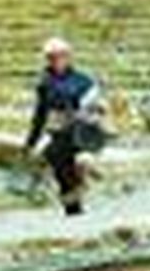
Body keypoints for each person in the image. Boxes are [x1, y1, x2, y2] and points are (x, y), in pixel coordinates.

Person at [24, 37, 105, 216]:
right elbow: (40, 115)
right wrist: (30, 141)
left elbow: (97, 112)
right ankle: (73, 206)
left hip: (83, 133)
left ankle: (79, 187)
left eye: (60, 56)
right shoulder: (45, 84)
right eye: (52, 57)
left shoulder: (85, 82)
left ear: (68, 57)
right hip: (64, 134)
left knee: (60, 156)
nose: (56, 61)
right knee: (58, 163)